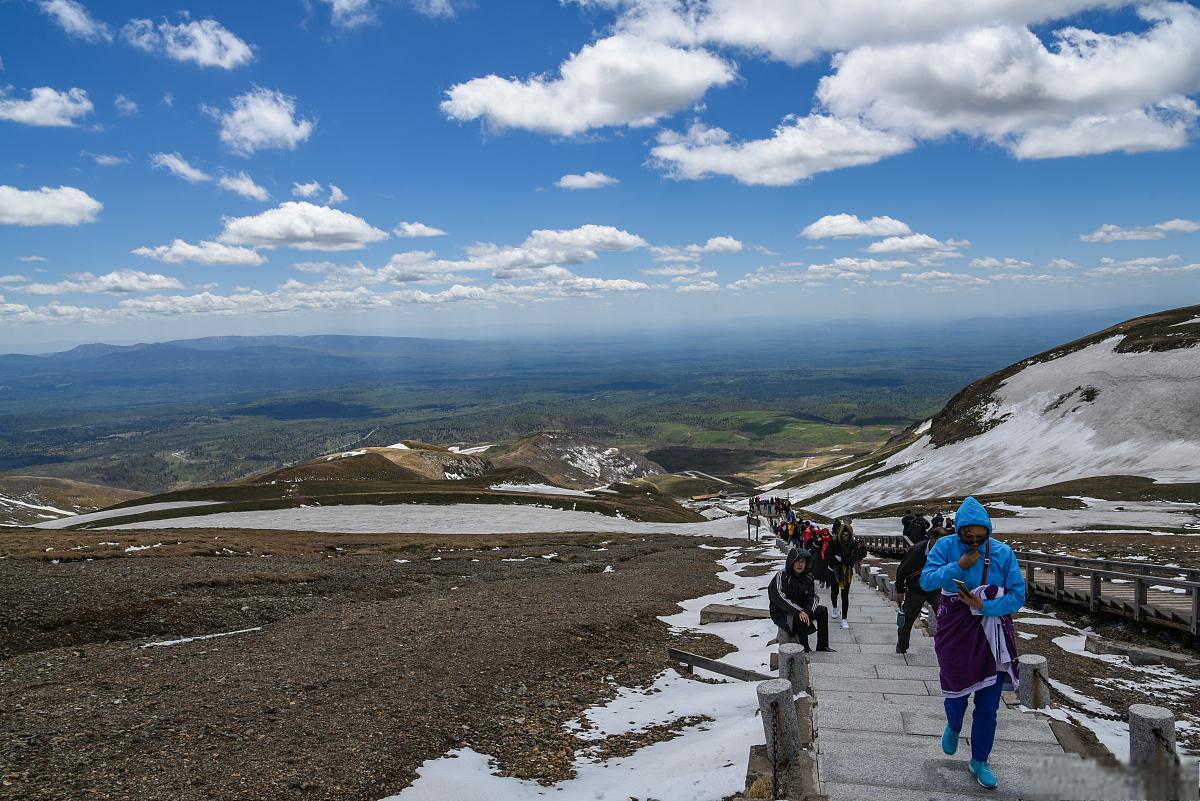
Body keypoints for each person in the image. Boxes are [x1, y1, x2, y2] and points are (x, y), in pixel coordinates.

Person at [920, 497, 1024, 791]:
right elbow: (927, 581)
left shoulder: (1003, 553)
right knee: (956, 693)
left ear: (989, 531)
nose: (976, 542)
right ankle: (953, 726)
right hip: (955, 631)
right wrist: (958, 565)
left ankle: (980, 760)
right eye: (969, 536)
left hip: (993, 634)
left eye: (982, 536)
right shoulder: (945, 547)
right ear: (960, 530)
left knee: (988, 706)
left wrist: (985, 605)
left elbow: (1018, 595)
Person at [768, 547, 835, 653]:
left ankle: (823, 645)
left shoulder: (808, 577)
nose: (800, 565)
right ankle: (805, 648)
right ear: (791, 562)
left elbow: (813, 596)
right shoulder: (782, 575)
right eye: (797, 561)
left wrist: (807, 611)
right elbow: (780, 597)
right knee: (800, 618)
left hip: (802, 610)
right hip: (783, 612)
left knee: (822, 611)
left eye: (803, 562)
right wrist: (799, 611)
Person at [895, 525, 946, 653]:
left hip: (936, 590)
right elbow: (902, 570)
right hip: (915, 590)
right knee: (907, 620)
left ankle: (945, 649)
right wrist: (900, 589)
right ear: (932, 538)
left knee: (945, 618)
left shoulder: (946, 551)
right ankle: (902, 647)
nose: (942, 544)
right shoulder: (917, 550)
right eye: (939, 540)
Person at [828, 518, 866, 627]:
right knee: (834, 591)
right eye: (843, 535)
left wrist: (841, 559)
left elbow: (853, 560)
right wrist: (843, 559)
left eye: (847, 535)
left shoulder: (853, 544)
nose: (845, 537)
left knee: (845, 595)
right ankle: (835, 607)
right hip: (833, 570)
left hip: (847, 572)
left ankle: (844, 618)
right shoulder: (833, 542)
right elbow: (829, 557)